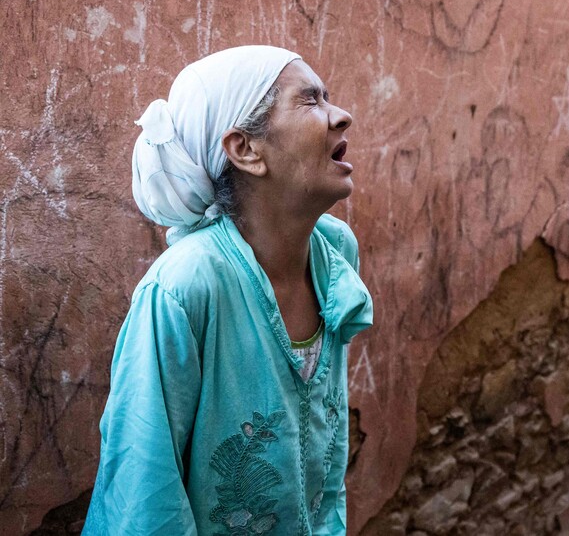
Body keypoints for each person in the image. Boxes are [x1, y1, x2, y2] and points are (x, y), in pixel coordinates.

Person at [82, 45, 373, 535]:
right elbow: (144, 491)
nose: (341, 115)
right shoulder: (183, 287)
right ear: (245, 149)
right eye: (310, 101)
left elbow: (326, 456)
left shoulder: (333, 254)